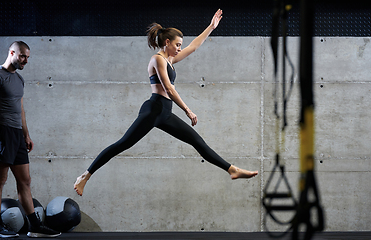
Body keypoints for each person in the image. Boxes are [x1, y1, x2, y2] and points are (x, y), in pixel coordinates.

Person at [74, 9, 258, 197]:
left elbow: (194, 46)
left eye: (181, 45)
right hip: (154, 110)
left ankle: (231, 170)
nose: (180, 48)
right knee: (122, 144)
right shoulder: (157, 60)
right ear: (167, 42)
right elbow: (169, 89)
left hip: (165, 112)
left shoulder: (170, 60)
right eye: (177, 44)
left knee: (197, 141)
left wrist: (211, 27)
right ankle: (85, 176)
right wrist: (188, 110)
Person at [0, 41, 61, 238]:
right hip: (3, 131)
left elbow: (21, 109)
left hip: (16, 134)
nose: (25, 60)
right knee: (0, 180)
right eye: (22, 56)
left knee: (25, 180)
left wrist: (26, 134)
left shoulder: (19, 79)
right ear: (12, 52)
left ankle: (34, 226)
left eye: (28, 57)